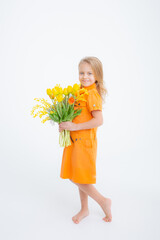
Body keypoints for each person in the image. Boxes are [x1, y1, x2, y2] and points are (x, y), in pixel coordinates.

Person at [59, 56, 112, 224]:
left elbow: (99, 120)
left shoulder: (92, 95)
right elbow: (76, 116)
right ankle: (84, 209)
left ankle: (103, 201)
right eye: (81, 72)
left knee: (78, 177)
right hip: (74, 141)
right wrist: (65, 123)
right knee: (78, 175)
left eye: (90, 73)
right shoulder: (79, 92)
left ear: (97, 76)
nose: (85, 76)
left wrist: (73, 127)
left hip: (84, 143)